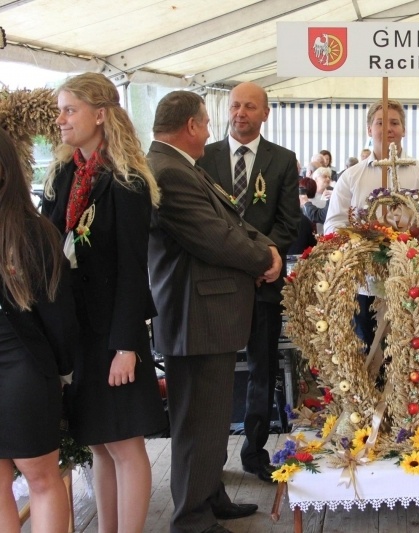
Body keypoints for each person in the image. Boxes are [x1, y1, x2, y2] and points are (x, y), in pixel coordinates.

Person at [147, 90, 281, 533]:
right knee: (197, 425)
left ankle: (209, 495)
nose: (211, 130)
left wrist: (265, 247)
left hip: (204, 315)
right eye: (206, 122)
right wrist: (264, 261)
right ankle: (193, 520)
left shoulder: (179, 166)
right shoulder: (169, 171)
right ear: (190, 125)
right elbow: (214, 237)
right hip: (195, 317)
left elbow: (229, 222)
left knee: (209, 420)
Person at [42, 72, 166, 533]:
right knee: (97, 442)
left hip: (114, 331)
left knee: (125, 446)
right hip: (79, 328)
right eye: (60, 109)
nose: (60, 119)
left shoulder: (126, 181)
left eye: (68, 109)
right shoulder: (64, 175)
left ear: (100, 114)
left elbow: (134, 270)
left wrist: (127, 345)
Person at [197, 81, 301, 486]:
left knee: (262, 367)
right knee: (215, 373)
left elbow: (288, 223)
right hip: (214, 284)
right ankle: (210, 459)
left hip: (264, 283)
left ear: (265, 113)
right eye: (235, 106)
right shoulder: (203, 158)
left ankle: (255, 452)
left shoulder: (282, 160)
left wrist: (259, 260)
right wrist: (236, 259)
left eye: (250, 107)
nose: (240, 113)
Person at [0, 127, 79, 533]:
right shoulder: (34, 232)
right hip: (27, 373)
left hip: (23, 369)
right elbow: (59, 316)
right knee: (44, 482)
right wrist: (64, 370)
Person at [324, 98, 419, 348]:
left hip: (414, 284)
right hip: (366, 284)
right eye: (380, 123)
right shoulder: (351, 177)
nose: (388, 129)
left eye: (394, 123)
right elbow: (333, 225)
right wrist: (363, 245)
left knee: (412, 355)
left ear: (403, 129)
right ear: (369, 129)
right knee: (370, 352)